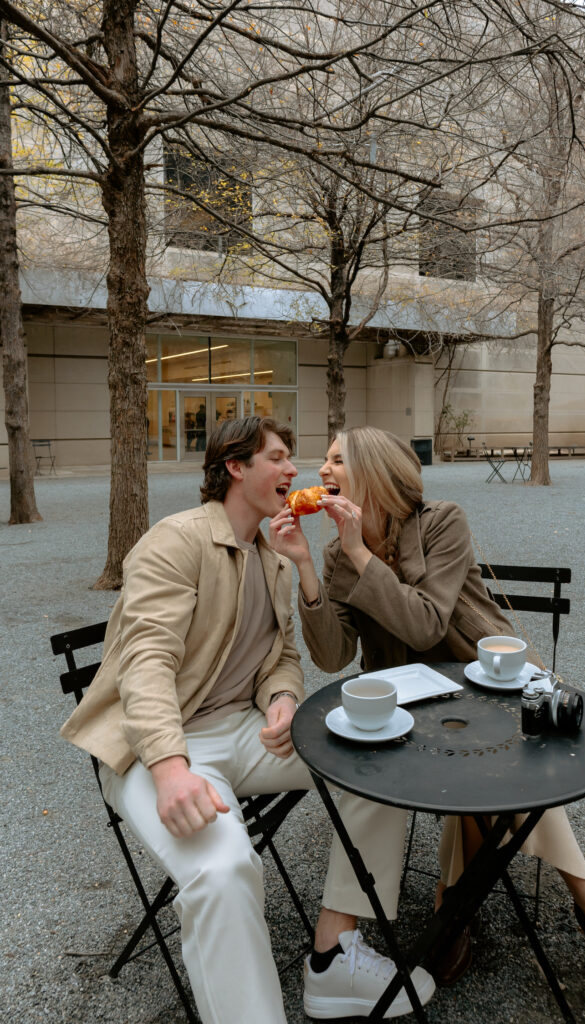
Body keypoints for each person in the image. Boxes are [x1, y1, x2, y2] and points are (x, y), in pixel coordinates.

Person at [269, 425, 585, 1010]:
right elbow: (333, 655)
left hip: (488, 684)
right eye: (326, 462)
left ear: (374, 470)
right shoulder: (337, 551)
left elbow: (428, 626)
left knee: (498, 770)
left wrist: (361, 551)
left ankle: (558, 900)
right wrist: (308, 569)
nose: (323, 472)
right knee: (483, 774)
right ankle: (496, 899)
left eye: (338, 460)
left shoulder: (441, 521)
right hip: (409, 705)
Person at [61, 416, 435, 1024]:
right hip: (161, 747)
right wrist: (170, 768)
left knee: (380, 754)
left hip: (246, 732)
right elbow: (146, 663)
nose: (297, 471)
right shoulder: (174, 541)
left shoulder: (276, 556)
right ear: (235, 467)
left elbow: (280, 658)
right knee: (225, 867)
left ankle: (334, 959)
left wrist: (283, 700)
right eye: (280, 458)